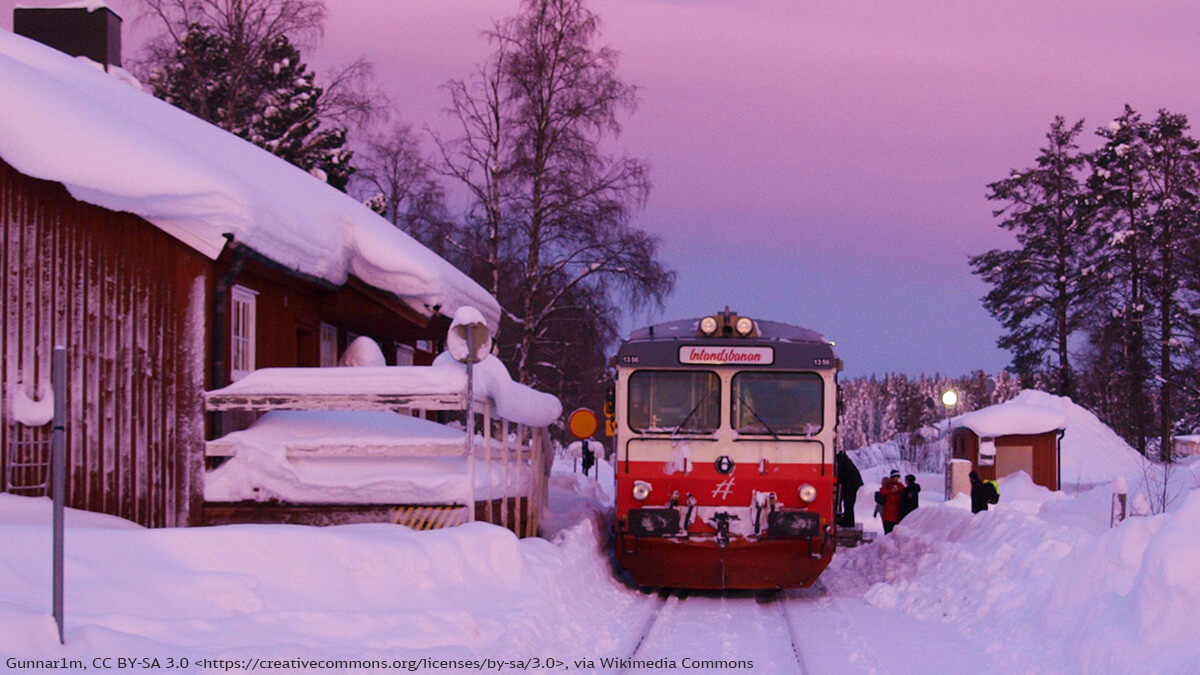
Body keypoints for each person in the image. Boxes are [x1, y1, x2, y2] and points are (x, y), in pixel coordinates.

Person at [835, 451, 863, 527]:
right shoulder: (844, 461)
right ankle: (847, 519)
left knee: (848, 503)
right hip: (852, 483)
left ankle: (849, 522)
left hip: (850, 483)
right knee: (848, 503)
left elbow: (839, 476)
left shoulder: (840, 462)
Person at [877, 469, 904, 533]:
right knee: (888, 531)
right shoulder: (887, 485)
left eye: (898, 477)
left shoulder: (900, 486)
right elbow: (882, 493)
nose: (896, 479)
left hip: (896, 512)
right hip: (887, 512)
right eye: (895, 477)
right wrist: (890, 490)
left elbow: (903, 492)